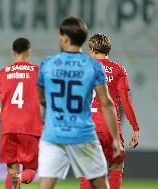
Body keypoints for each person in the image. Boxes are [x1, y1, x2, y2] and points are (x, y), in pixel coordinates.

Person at [37, 16, 123, 189]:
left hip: (54, 134)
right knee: (101, 186)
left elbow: (41, 99)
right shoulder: (93, 66)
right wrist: (115, 139)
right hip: (83, 135)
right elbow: (107, 103)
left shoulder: (47, 64)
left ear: (65, 38)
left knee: (45, 187)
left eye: (60, 35)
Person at [80, 33, 140, 189]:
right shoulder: (118, 70)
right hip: (111, 129)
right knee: (116, 168)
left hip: (89, 128)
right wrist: (135, 128)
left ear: (92, 49)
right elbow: (126, 102)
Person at [0, 37, 42, 189]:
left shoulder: (2, 73)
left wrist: (4, 114)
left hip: (8, 128)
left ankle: (15, 177)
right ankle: (20, 177)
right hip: (30, 127)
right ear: (29, 52)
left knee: (11, 170)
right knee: (31, 169)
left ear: (13, 52)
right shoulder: (37, 71)